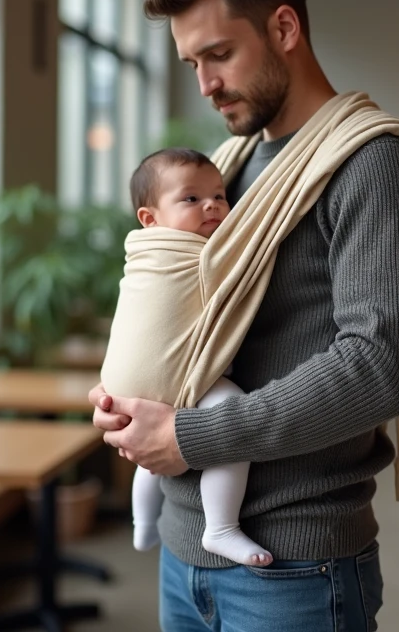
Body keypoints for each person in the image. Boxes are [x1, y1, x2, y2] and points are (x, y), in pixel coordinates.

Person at [88, 0, 399, 631]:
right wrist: (132, 389)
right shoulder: (228, 168)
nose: (206, 84)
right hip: (185, 551)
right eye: (192, 62)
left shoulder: (371, 164)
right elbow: (184, 316)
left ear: (284, 27)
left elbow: (381, 368)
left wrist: (192, 437)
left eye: (219, 54)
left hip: (294, 567)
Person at [119, 146, 273, 567]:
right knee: (228, 416)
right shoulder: (188, 254)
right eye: (191, 199)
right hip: (168, 368)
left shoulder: (139, 253)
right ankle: (221, 528)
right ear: (150, 220)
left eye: (220, 196)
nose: (213, 205)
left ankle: (142, 524)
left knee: (149, 458)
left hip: (126, 374)